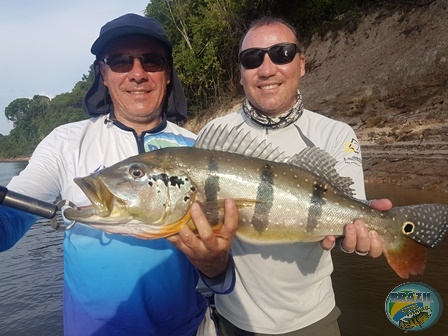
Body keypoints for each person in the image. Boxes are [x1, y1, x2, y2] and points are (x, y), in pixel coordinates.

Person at [0, 13, 238, 336]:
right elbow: (9, 219)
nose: (137, 74)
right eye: (121, 61)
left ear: (167, 74)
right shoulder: (66, 143)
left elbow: (226, 276)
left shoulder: (198, 151)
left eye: (151, 61)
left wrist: (215, 266)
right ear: (104, 73)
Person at [200, 17, 392, 336]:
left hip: (311, 320)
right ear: (241, 73)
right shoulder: (214, 134)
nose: (266, 68)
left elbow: (352, 210)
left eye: (282, 53)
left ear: (302, 64)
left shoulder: (334, 133)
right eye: (252, 59)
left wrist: (369, 227)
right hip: (232, 320)